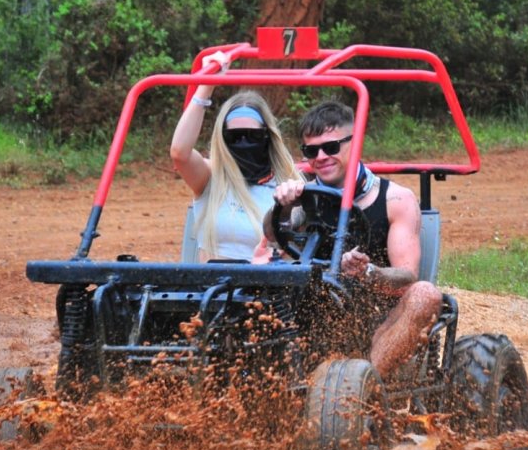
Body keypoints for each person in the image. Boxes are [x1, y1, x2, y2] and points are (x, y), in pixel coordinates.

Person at [264, 100, 442, 379]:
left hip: (379, 325)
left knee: (425, 294)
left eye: (331, 147)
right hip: (311, 319)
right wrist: (283, 205)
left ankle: (362, 390)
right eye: (311, 150)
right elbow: (271, 235)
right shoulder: (305, 199)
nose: (321, 156)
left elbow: (408, 276)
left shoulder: (395, 199)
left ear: (355, 142)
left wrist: (367, 271)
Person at [170, 86, 301, 262]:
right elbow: (180, 152)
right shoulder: (211, 178)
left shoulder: (288, 187)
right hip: (212, 286)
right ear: (222, 139)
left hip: (265, 285)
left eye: (252, 136)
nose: (244, 143)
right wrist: (205, 87)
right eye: (234, 137)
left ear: (267, 136)